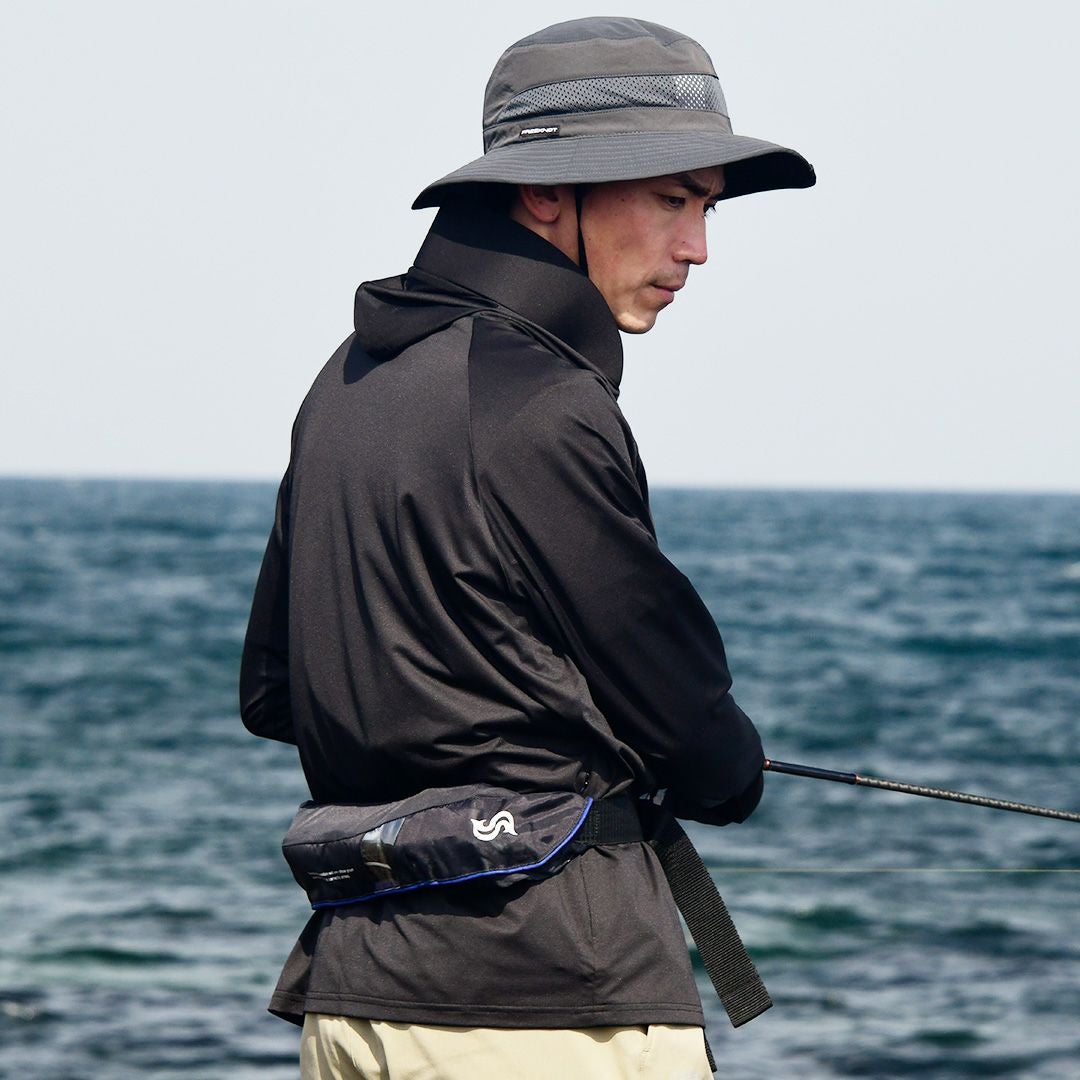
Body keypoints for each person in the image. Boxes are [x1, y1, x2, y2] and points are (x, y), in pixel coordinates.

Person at [240, 16, 814, 1080]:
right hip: (551, 1004)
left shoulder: (345, 382)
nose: (697, 247)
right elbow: (699, 744)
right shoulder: (543, 400)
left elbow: (275, 693)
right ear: (546, 192)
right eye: (673, 198)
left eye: (708, 208)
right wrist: (721, 761)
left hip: (355, 1004)